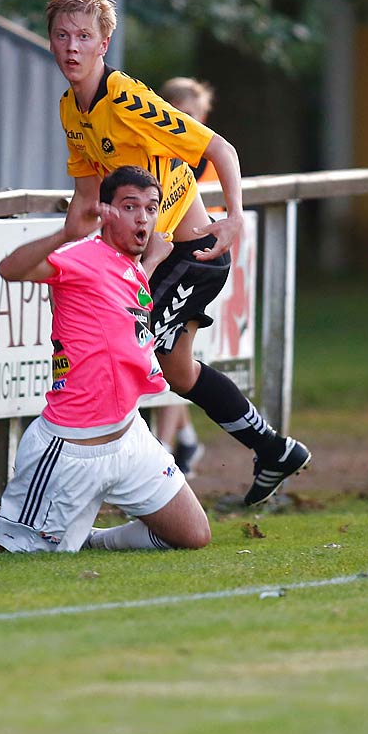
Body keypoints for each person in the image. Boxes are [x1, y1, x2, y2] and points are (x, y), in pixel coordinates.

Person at [46, 0, 310, 506]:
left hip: (190, 253)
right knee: (178, 370)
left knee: (120, 346)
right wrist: (57, 260)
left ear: (104, 44)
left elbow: (220, 148)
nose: (72, 47)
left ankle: (136, 485)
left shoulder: (125, 99)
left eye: (84, 36)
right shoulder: (72, 110)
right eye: (61, 36)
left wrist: (233, 218)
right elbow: (83, 201)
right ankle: (273, 449)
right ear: (50, 42)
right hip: (163, 254)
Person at [0, 167, 212, 557]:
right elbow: (10, 269)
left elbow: (122, 300)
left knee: (193, 535)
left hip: (130, 439)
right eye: (130, 206)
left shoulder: (132, 265)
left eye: (151, 208)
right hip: (71, 449)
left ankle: (85, 538)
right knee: (8, 548)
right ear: (106, 212)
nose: (143, 217)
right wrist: (65, 233)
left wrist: (151, 264)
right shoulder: (80, 255)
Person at [151, 76, 218, 475]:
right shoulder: (164, 148)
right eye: (176, 114)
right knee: (171, 358)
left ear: (204, 116)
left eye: (190, 115)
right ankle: (184, 442)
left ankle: (165, 447)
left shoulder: (201, 156)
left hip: (199, 261)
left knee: (170, 356)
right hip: (174, 259)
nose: (183, 121)